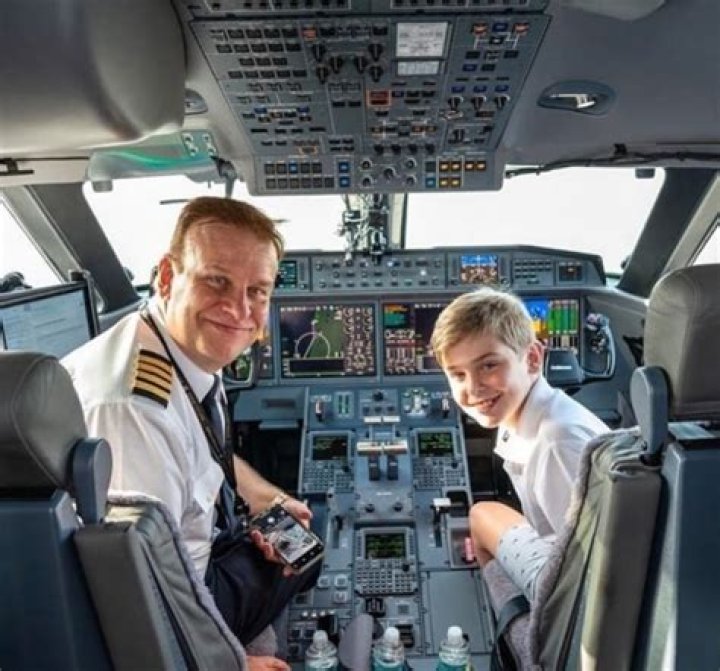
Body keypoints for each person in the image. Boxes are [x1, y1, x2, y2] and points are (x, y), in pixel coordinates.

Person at [63, 196, 318, 670]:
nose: (238, 309)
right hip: (180, 601)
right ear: (167, 276)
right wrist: (229, 663)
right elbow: (134, 590)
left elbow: (201, 447)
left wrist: (266, 499)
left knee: (295, 540)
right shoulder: (134, 410)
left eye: (257, 291)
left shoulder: (173, 348)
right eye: (216, 280)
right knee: (307, 557)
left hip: (191, 556)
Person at [430, 288, 608, 600]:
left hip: (575, 595)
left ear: (533, 358)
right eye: (458, 374)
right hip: (570, 565)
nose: (473, 388)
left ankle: (517, 623)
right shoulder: (534, 413)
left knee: (482, 515)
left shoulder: (557, 441)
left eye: (488, 365)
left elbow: (594, 571)